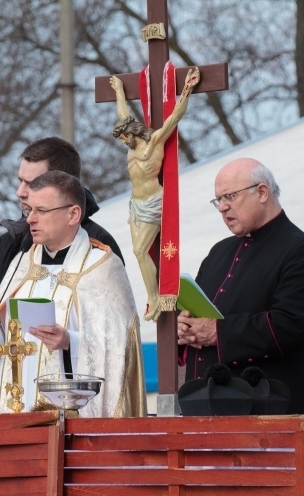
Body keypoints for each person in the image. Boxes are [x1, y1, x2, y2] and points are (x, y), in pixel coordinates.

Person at [0, 171, 146, 418]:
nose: (30, 219)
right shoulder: (22, 264)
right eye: (30, 210)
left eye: (41, 211)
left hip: (72, 418)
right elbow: (12, 347)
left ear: (73, 214)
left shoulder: (102, 267)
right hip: (14, 411)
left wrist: (69, 342)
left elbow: (119, 350)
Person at [176, 158, 304, 415]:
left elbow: (291, 325)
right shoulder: (218, 252)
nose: (223, 208)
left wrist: (217, 332)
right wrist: (184, 328)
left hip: (268, 409)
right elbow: (197, 316)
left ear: (262, 192)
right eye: (218, 200)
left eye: (230, 197)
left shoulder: (302, 251)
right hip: (206, 407)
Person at [0, 137, 123, 322]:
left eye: (32, 183)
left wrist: (67, 343)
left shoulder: (99, 247)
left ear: (62, 182)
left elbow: (111, 329)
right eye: (20, 181)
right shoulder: (13, 241)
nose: (20, 192)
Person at [110, 68, 200, 321]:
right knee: (138, 252)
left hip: (152, 202)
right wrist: (119, 90)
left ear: (133, 131)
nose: (123, 141)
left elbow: (174, 117)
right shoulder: (129, 148)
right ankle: (152, 294)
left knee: (140, 251)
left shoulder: (154, 142)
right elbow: (122, 113)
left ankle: (153, 296)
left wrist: (187, 90)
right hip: (134, 204)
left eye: (125, 135)